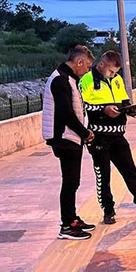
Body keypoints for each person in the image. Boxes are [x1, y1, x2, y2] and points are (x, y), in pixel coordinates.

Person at [80, 51, 136, 224]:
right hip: (98, 136)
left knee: (131, 172)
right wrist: (103, 109)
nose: (114, 75)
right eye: (111, 72)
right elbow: (83, 105)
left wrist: (129, 109)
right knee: (103, 176)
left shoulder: (117, 80)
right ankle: (108, 210)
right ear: (102, 65)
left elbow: (123, 100)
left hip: (118, 135)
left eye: (116, 72)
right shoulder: (87, 80)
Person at [42, 45, 96, 240]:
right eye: (87, 67)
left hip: (70, 137)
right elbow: (66, 114)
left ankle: (72, 218)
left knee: (73, 181)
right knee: (70, 182)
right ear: (79, 62)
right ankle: (67, 225)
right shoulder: (61, 80)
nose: (87, 71)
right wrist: (85, 133)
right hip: (65, 138)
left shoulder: (69, 79)